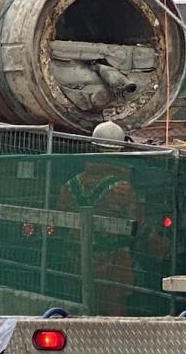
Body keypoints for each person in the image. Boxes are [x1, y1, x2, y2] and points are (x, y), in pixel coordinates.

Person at [56, 121, 169, 316]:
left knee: (77, 313)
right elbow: (139, 227)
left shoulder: (69, 186)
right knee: (114, 315)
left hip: (75, 264)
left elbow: (60, 224)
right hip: (113, 266)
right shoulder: (122, 188)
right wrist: (160, 248)